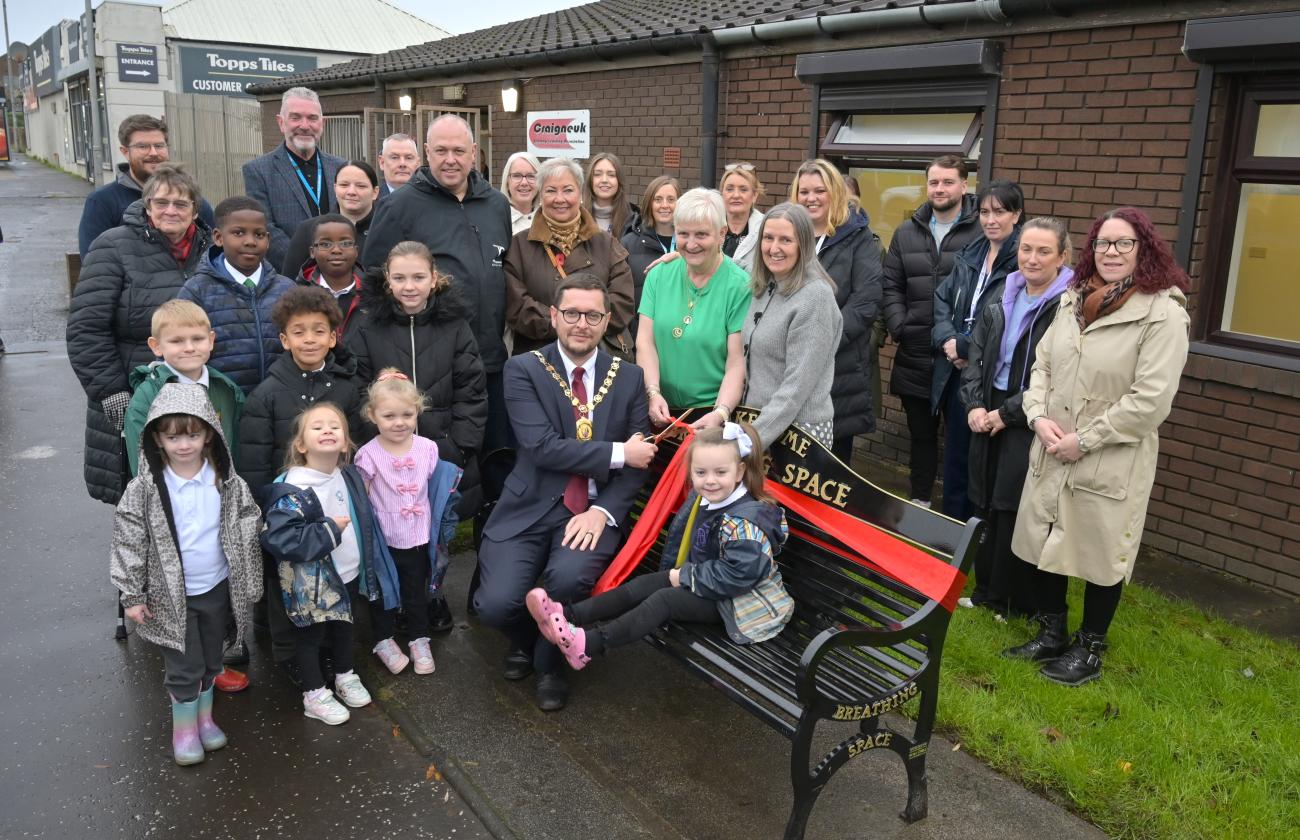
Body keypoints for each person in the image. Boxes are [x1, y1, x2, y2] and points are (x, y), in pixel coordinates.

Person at [1004, 207, 1190, 686]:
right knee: (1045, 540)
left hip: (1110, 455)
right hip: (1052, 445)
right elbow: (1042, 366)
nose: (1111, 252)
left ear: (1143, 249)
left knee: (1102, 552)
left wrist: (1084, 440)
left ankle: (1090, 648)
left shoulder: (1163, 314)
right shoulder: (1072, 300)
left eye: (1123, 243)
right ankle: (1051, 632)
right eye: (1104, 243)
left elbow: (1150, 401)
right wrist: (1038, 417)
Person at [473, 274, 655, 711]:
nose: (581, 323)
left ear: (607, 321)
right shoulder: (524, 369)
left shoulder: (629, 378)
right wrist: (617, 452)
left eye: (593, 315)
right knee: (494, 605)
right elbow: (541, 447)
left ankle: (547, 663)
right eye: (571, 313)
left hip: (592, 508)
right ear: (554, 316)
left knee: (569, 579)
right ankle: (531, 639)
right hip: (531, 503)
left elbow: (640, 463)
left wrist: (604, 512)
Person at [524, 421, 791, 670]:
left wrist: (684, 576)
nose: (709, 480)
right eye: (700, 472)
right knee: (645, 584)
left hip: (744, 604)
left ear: (740, 471)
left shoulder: (745, 521)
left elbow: (737, 576)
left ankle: (588, 644)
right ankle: (567, 614)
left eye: (720, 472)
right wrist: (681, 575)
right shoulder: (714, 500)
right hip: (715, 585)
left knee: (665, 600)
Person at [110, 383, 262, 764]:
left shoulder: (225, 481)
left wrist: (248, 558)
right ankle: (184, 731)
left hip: (216, 587)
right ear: (157, 439)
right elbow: (129, 540)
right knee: (183, 666)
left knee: (212, 658)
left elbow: (248, 519)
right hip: (168, 596)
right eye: (173, 436)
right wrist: (132, 594)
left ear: (208, 433)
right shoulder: (144, 489)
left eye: (193, 434)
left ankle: (206, 720)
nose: (184, 445)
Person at [361, 115, 513, 457]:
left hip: (489, 353)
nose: (450, 159)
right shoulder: (399, 205)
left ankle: (487, 509)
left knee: (492, 447)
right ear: (427, 152)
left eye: (459, 150)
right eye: (441, 150)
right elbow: (374, 278)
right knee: (441, 451)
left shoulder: (496, 204)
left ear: (474, 152)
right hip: (431, 359)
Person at [68, 164, 213, 505]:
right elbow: (86, 328)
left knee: (197, 496)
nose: (170, 211)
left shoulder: (210, 249)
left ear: (195, 209)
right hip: (135, 394)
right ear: (147, 206)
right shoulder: (114, 247)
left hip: (199, 391)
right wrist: (111, 391)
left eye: (181, 203)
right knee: (143, 500)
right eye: (161, 202)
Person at [959, 218, 1073, 616]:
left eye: (1044, 251)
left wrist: (1006, 414)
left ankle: (1012, 600)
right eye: (1026, 249)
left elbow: (1059, 377)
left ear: (1062, 257)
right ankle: (985, 590)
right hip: (989, 403)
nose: (1033, 258)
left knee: (1012, 506)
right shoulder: (1003, 294)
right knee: (985, 498)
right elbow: (976, 356)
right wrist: (974, 404)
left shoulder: (1067, 307)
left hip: (1031, 413)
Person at [261, 403, 402, 724]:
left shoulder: (348, 476)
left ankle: (344, 674)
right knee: (309, 637)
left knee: (343, 629)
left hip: (348, 574)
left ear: (346, 442)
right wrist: (327, 531)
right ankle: (314, 693)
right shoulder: (292, 487)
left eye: (335, 426)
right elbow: (281, 539)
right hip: (310, 582)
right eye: (317, 427)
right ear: (300, 444)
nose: (327, 430)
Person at [346, 242, 488, 519]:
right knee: (394, 534)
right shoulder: (367, 327)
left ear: (433, 278)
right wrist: (373, 442)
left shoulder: (455, 325)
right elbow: (355, 387)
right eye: (399, 278)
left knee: (439, 535)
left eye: (418, 277)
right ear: (388, 280)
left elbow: (471, 389)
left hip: (443, 451)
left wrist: (458, 447)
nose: (409, 287)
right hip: (386, 455)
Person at [881, 155, 982, 507]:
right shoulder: (907, 231)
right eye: (934, 182)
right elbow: (890, 284)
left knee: (961, 440)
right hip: (916, 352)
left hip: (960, 360)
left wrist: (968, 344)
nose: (940, 189)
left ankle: (959, 517)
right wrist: (900, 324)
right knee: (921, 437)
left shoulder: (981, 231)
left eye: (948, 182)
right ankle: (920, 503)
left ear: (964, 186)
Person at [932, 180, 1025, 521]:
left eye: (999, 212)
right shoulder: (972, 253)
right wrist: (948, 340)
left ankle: (979, 532)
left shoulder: (1022, 260)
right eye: (984, 212)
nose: (990, 220)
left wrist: (967, 345)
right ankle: (950, 535)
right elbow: (942, 298)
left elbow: (1014, 320)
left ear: (1016, 214)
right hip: (959, 371)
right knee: (955, 454)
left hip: (993, 376)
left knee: (983, 460)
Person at [353, 370, 452, 675]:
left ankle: (419, 638)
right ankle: (383, 639)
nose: (399, 422)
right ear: (373, 415)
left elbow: (434, 488)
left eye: (407, 414)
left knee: (415, 589)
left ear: (418, 411)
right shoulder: (368, 455)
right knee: (383, 589)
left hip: (419, 533)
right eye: (389, 415)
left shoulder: (428, 448)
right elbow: (364, 499)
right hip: (385, 537)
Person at [791, 158, 883, 462]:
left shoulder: (860, 238)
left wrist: (820, 342)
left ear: (835, 193)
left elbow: (866, 302)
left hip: (838, 367)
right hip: (790, 363)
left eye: (820, 190)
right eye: (804, 191)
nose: (811, 198)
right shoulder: (787, 234)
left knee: (830, 465)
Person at [636, 188, 748, 431]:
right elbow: (645, 342)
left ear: (722, 234)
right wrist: (652, 392)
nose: (691, 243)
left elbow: (736, 362)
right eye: (683, 234)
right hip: (658, 408)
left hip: (710, 414)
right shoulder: (658, 275)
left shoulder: (740, 286)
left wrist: (721, 412)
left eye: (701, 234)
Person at [505, 157, 636, 359]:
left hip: (598, 359)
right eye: (550, 190)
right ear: (540, 195)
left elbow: (623, 301)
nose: (560, 199)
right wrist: (570, 325)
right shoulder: (519, 246)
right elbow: (517, 307)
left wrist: (578, 326)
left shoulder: (607, 244)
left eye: (568, 190)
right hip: (539, 359)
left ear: (581, 194)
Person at [741, 203, 842, 450]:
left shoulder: (815, 297)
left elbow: (796, 386)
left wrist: (750, 442)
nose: (774, 248)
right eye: (768, 238)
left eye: (786, 240)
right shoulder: (763, 287)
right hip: (758, 427)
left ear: (803, 245)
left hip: (798, 435)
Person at [178, 196, 295, 395]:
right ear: (218, 237)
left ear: (268, 240)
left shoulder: (288, 290)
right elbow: (178, 352)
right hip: (220, 406)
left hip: (279, 404)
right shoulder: (196, 291)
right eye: (239, 233)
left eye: (259, 235)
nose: (250, 242)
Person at [124, 300, 243, 480]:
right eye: (177, 341)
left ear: (211, 340)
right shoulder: (147, 397)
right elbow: (141, 463)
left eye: (197, 339)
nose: (189, 348)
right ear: (156, 346)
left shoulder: (226, 390)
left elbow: (237, 449)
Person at [78, 114, 215, 259]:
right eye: (143, 146)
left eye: (159, 146)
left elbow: (215, 252)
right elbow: (94, 261)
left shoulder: (193, 201)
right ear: (125, 152)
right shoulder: (102, 201)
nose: (153, 153)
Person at [242, 87, 346, 273]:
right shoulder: (258, 171)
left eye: (312, 118)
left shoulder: (341, 167)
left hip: (339, 273)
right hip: (289, 276)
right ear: (281, 123)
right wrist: (308, 267)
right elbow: (265, 228)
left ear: (322, 123)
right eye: (296, 117)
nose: (305, 125)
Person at [281, 161, 380, 278]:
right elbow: (289, 281)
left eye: (361, 186)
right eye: (344, 185)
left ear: (375, 192)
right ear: (335, 188)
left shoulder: (387, 228)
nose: (351, 192)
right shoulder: (308, 229)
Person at [621, 175, 680, 330]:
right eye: (658, 199)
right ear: (649, 204)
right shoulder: (628, 243)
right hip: (641, 334)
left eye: (671, 199)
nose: (664, 205)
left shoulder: (691, 245)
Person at [291, 215, 365, 334]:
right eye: (325, 244)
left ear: (356, 251)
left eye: (345, 243)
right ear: (312, 252)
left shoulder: (372, 295)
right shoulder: (297, 295)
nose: (336, 250)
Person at [719, 162, 765, 271]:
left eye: (743, 189)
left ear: (754, 196)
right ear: (722, 194)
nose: (736, 195)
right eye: (729, 189)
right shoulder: (709, 225)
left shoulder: (766, 228)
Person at [583, 152, 640, 238]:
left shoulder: (635, 222)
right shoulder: (576, 217)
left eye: (611, 175)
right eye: (598, 174)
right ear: (590, 180)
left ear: (619, 181)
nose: (604, 180)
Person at [502, 151, 542, 235]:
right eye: (517, 176)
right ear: (507, 181)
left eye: (531, 176)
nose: (524, 183)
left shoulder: (549, 219)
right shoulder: (495, 219)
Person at [378, 133, 420, 198]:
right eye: (394, 157)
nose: (402, 164)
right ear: (382, 162)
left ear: (417, 163)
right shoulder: (368, 203)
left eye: (408, 158)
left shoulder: (433, 201)